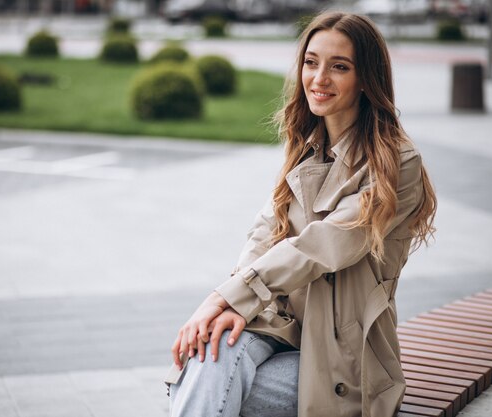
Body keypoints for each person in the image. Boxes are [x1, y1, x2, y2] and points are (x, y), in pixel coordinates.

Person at [165, 11, 437, 417]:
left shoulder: (397, 163)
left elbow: (323, 244)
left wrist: (227, 297)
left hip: (345, 355)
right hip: (283, 327)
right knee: (212, 349)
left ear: (366, 78)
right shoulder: (308, 145)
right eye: (311, 63)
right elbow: (265, 232)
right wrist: (231, 305)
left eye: (339, 67)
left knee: (205, 381)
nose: (319, 79)